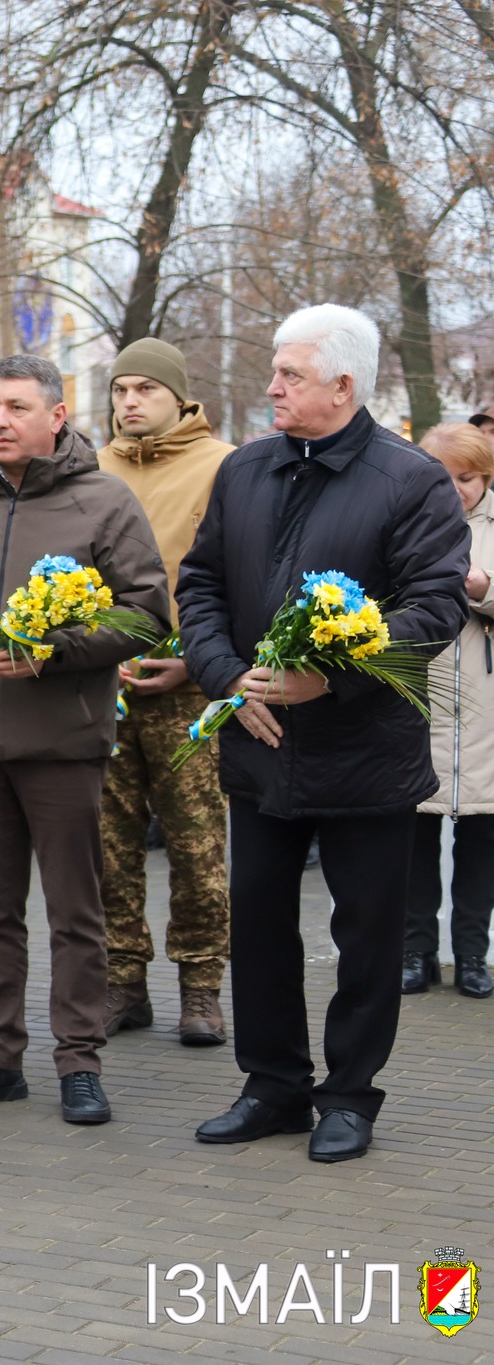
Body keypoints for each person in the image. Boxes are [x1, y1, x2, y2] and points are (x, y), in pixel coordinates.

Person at [179, 305, 469, 1163]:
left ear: (344, 385)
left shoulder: (410, 478)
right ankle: (272, 1084)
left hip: (366, 754)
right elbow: (198, 585)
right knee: (260, 924)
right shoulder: (245, 470)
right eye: (275, 369)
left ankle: (348, 1095)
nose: (271, 386)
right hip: (260, 748)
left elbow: (435, 606)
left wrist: (329, 678)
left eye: (290, 374)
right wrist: (229, 675)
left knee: (367, 934)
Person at [0, 355, 169, 1126]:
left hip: (64, 744)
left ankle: (79, 1060)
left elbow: (147, 613)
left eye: (17, 406)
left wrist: (60, 648)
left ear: (58, 415)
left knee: (75, 912)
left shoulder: (104, 502)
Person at [94, 338, 235, 1044]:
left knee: (196, 843)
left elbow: (239, 575)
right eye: (120, 390)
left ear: (179, 397)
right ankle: (123, 979)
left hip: (187, 684)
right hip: (105, 683)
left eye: (145, 389)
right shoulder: (92, 468)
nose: (129, 402)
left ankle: (202, 985)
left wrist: (200, 662)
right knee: (108, 843)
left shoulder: (223, 465)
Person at [408, 422, 494, 1000]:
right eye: (446, 477)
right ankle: (415, 952)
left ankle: (471, 955)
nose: (457, 489)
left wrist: (484, 591)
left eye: (468, 478)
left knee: (482, 844)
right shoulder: (408, 516)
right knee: (413, 837)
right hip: (421, 698)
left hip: (486, 710)